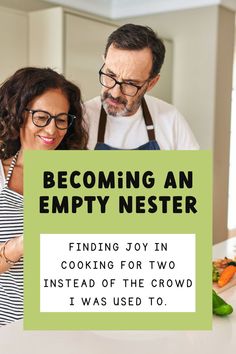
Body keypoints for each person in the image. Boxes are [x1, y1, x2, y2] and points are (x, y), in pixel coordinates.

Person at [0, 67, 87, 326]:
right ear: (17, 115)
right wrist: (20, 246)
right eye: (41, 117)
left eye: (61, 119)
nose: (52, 130)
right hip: (9, 329)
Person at [85, 23, 199, 150]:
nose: (115, 93)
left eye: (130, 83)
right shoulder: (81, 118)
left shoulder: (171, 120)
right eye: (110, 75)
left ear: (152, 83)